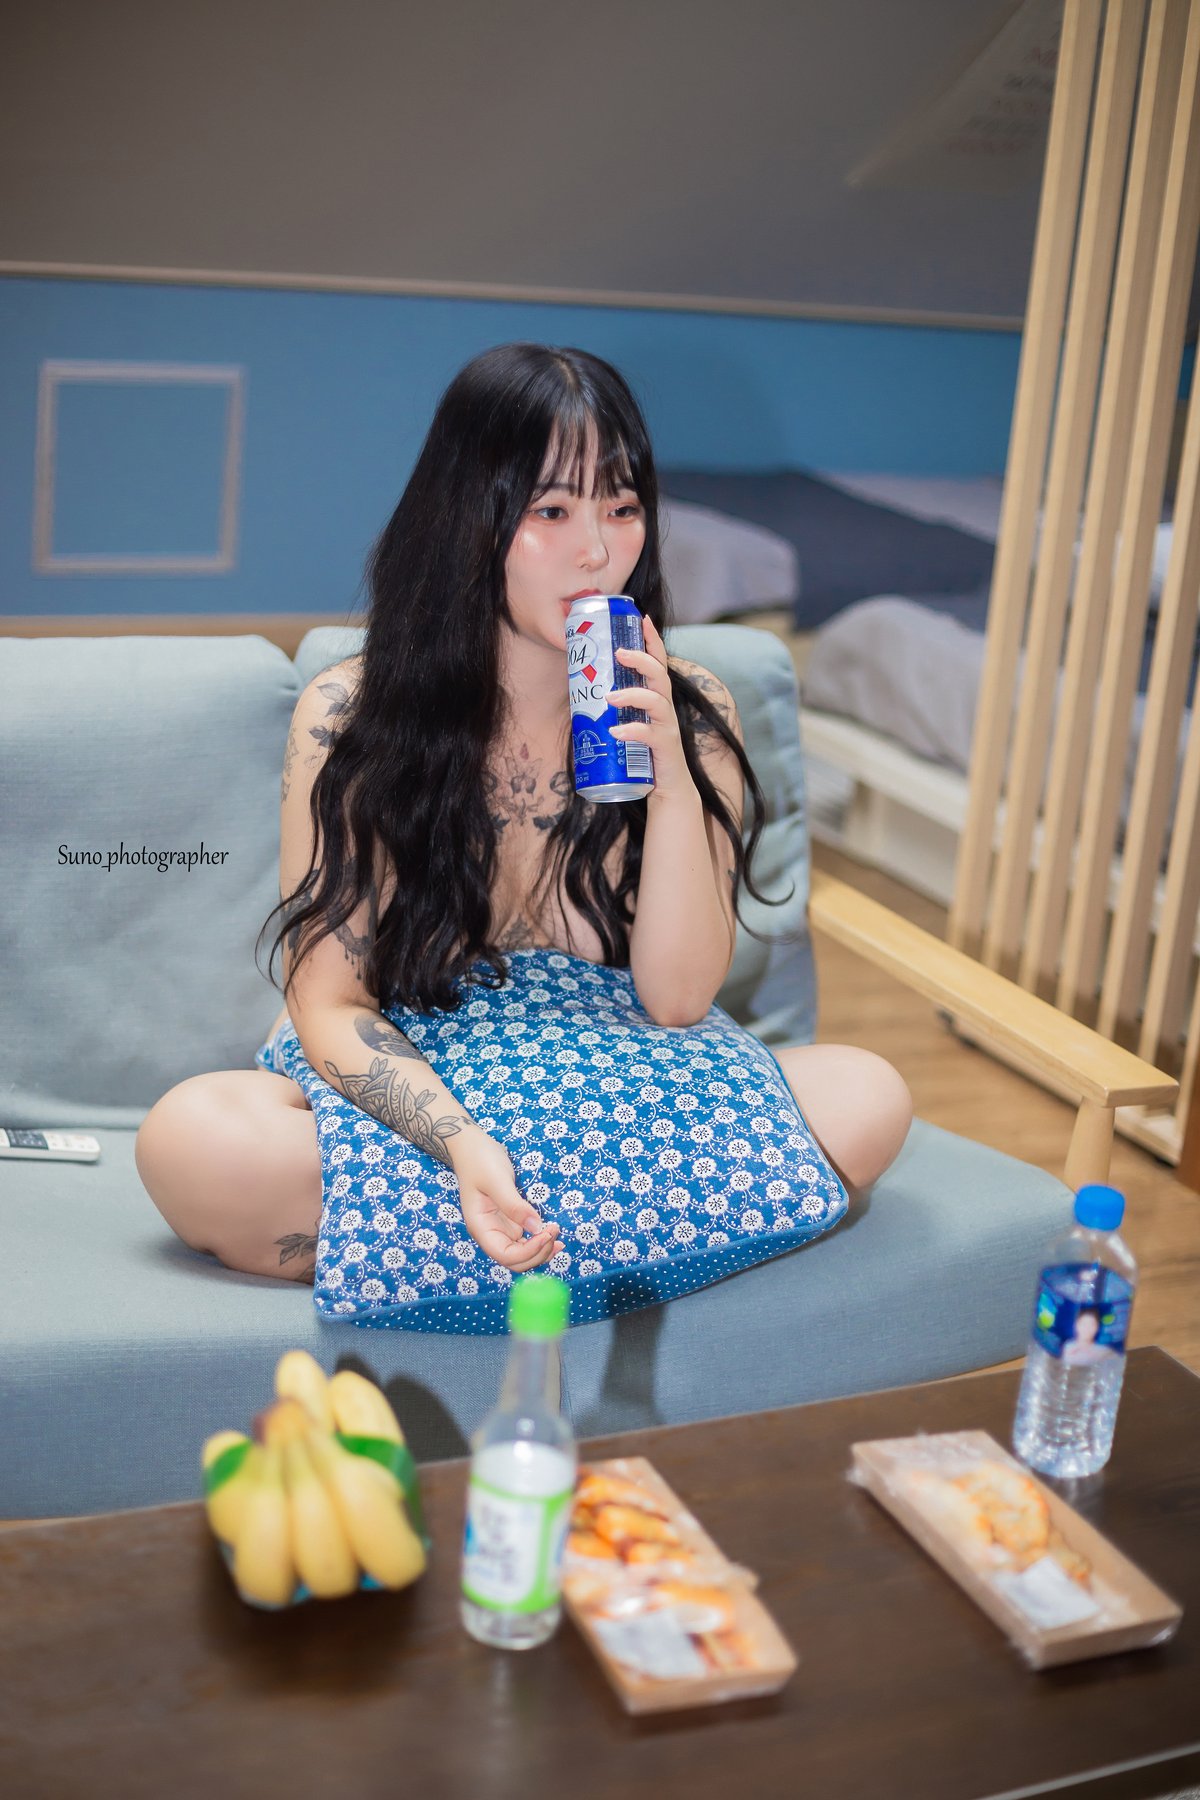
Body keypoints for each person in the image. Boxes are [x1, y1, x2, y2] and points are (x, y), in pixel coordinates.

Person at [135, 343, 912, 1325]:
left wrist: (674, 782)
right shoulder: (350, 717)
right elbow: (327, 1004)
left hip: (625, 1086)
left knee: (867, 1093)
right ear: (470, 519)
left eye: (621, 508)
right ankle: (607, 1247)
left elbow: (677, 1001)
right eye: (552, 511)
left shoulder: (695, 710)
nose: (597, 551)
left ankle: (457, 1259)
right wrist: (464, 1146)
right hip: (423, 1084)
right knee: (194, 1138)